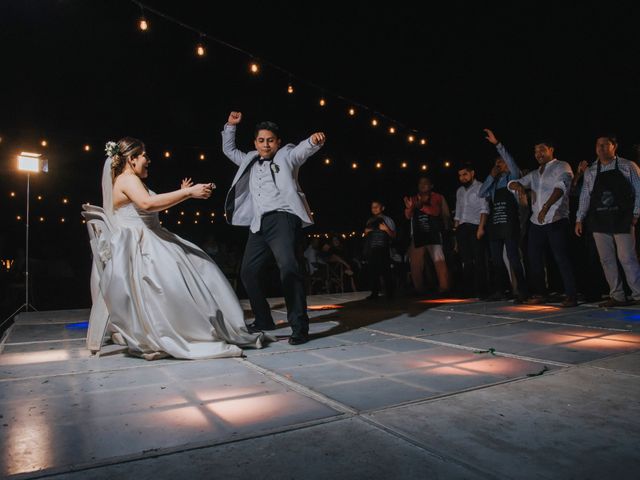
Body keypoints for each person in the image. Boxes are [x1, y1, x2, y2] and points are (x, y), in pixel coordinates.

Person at [96, 138, 272, 360]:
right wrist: (188, 194)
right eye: (143, 156)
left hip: (151, 235)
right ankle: (197, 326)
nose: (147, 160)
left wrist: (183, 193)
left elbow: (152, 204)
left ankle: (213, 320)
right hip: (141, 242)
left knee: (198, 260)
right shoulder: (128, 179)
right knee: (187, 265)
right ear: (131, 159)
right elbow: (147, 205)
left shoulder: (130, 180)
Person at [222, 111, 326, 345]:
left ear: (277, 142)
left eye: (270, 140)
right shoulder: (249, 158)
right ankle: (263, 319)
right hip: (258, 223)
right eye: (261, 140)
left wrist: (313, 141)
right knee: (248, 272)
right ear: (255, 143)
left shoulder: (286, 155)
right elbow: (229, 150)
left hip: (282, 218)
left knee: (288, 268)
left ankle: (299, 326)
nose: (266, 144)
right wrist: (230, 126)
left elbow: (302, 150)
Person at [508, 140, 577, 307]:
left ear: (551, 150)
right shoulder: (534, 174)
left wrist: (546, 207)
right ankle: (541, 293)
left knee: (561, 258)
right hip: (536, 222)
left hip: (556, 219)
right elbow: (515, 183)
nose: (538, 154)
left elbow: (562, 186)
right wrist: (514, 184)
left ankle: (571, 295)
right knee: (534, 258)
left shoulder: (562, 166)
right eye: (535, 151)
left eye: (542, 150)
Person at [575, 135, 640, 307]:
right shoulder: (591, 170)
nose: (601, 148)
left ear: (614, 146)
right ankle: (617, 295)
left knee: (627, 257)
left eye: (605, 145)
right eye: (598, 145)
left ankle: (638, 294)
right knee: (606, 259)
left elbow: (638, 190)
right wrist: (579, 218)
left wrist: (636, 213)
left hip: (622, 218)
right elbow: (585, 196)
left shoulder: (628, 166)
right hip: (599, 219)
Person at [479, 129, 528, 302]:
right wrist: (491, 176)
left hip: (510, 223)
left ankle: (522, 290)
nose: (499, 164)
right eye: (497, 163)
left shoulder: (513, 177)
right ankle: (500, 290)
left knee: (514, 257)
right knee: (496, 259)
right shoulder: (495, 182)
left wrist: (497, 145)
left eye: (501, 162)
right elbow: (481, 192)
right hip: (496, 225)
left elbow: (510, 161)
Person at [403, 176, 451, 295]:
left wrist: (421, 206)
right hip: (418, 234)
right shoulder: (413, 198)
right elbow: (408, 216)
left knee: (439, 261)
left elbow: (436, 212)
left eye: (425, 183)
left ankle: (444, 287)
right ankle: (419, 289)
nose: (422, 185)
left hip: (433, 233)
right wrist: (409, 208)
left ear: (431, 186)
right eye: (420, 183)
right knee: (415, 263)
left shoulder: (437, 197)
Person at [454, 163, 490, 298]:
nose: (462, 178)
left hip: (475, 226)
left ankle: (482, 291)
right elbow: (457, 213)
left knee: (479, 259)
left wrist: (481, 228)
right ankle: (468, 290)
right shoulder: (459, 191)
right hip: (462, 228)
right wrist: (456, 234)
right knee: (466, 260)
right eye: (460, 175)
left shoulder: (480, 187)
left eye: (465, 174)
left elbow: (484, 209)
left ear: (472, 173)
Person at [363, 200, 396, 299]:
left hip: (383, 249)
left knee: (386, 272)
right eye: (373, 207)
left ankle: (389, 294)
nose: (374, 208)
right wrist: (366, 232)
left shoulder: (388, 220)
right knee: (373, 272)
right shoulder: (369, 221)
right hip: (372, 249)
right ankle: (374, 293)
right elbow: (366, 236)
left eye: (377, 206)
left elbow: (394, 236)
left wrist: (386, 229)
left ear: (383, 208)